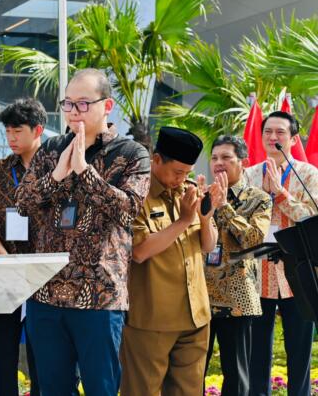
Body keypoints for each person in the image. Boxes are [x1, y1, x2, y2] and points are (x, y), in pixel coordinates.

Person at [15, 69, 151, 395]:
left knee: (101, 388)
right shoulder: (50, 149)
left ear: (107, 106)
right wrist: (58, 175)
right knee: (51, 389)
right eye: (68, 104)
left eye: (83, 104)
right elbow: (23, 203)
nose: (74, 112)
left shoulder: (132, 154)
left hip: (99, 296)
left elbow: (129, 208)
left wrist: (85, 173)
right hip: (47, 293)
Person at [120, 126, 224, 396]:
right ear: (156, 160)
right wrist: (183, 221)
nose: (182, 179)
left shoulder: (187, 192)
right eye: (177, 172)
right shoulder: (135, 195)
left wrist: (205, 216)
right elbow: (140, 251)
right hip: (152, 319)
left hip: (195, 316)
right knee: (142, 391)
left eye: (187, 173)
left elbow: (208, 245)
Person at [0, 98, 47, 396]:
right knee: (2, 355)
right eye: (7, 131)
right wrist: (6, 260)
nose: (11, 138)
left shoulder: (56, 168)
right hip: (5, 276)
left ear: (38, 129)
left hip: (47, 276)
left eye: (17, 130)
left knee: (44, 356)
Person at [246, 111, 318, 396]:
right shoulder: (250, 174)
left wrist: (281, 195)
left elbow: (313, 218)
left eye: (280, 133)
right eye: (268, 132)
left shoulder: (309, 174)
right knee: (257, 352)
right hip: (257, 275)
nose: (273, 138)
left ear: (293, 138)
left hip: (297, 276)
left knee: (300, 352)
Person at [203, 135, 271, 396]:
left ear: (243, 161)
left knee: (236, 375)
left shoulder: (259, 198)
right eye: (215, 158)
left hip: (238, 298)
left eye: (226, 157)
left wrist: (224, 207)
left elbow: (253, 239)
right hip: (202, 297)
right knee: (194, 370)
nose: (219, 163)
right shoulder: (201, 194)